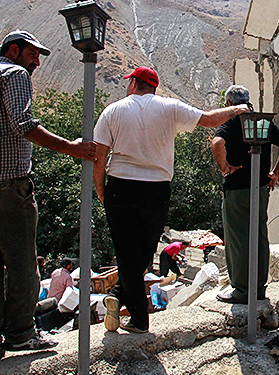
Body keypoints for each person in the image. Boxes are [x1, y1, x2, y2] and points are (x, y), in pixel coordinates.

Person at [0, 30, 97, 360]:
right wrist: (71, 148)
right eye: (33, 54)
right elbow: (23, 123)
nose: (36, 62)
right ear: (15, 50)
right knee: (22, 261)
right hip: (5, 180)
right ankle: (20, 333)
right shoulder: (14, 73)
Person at [93, 66, 250, 334]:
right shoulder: (169, 107)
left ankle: (131, 310)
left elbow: (99, 155)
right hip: (156, 190)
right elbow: (209, 120)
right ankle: (126, 305)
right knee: (144, 252)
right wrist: (237, 109)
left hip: (120, 187)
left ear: (133, 83)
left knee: (127, 252)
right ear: (153, 86)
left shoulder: (113, 111)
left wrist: (101, 189)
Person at [211, 85, 279, 304]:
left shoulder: (230, 121)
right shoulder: (261, 121)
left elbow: (217, 143)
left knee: (238, 239)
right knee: (259, 236)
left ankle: (241, 291)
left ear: (229, 104)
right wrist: (275, 173)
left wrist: (225, 168)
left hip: (237, 190)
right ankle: (258, 288)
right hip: (261, 188)